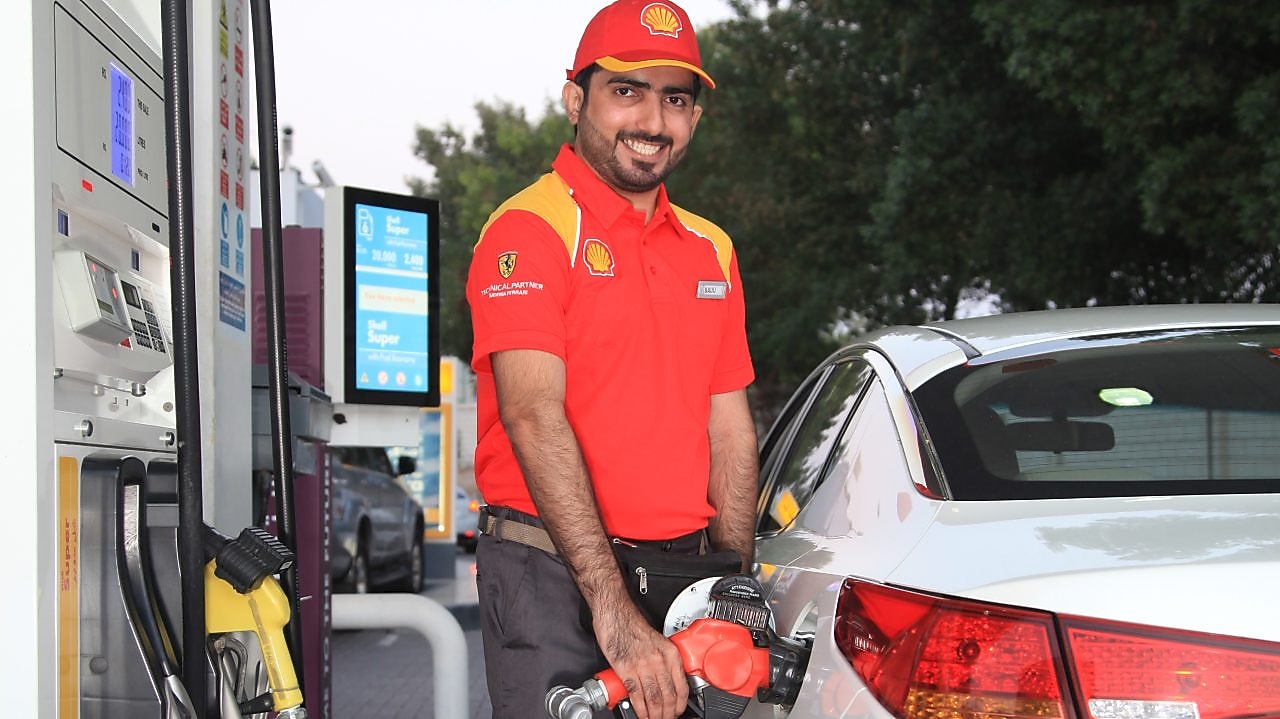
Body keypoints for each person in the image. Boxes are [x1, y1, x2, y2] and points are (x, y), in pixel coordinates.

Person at [466, 1, 758, 717]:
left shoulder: (711, 248)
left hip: (685, 573)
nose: (653, 122)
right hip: (549, 574)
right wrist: (614, 609)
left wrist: (735, 585)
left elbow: (732, 433)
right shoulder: (528, 228)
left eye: (675, 99)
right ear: (576, 99)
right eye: (626, 91)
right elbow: (533, 416)